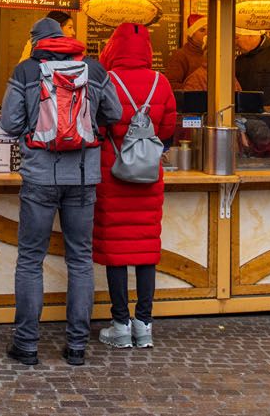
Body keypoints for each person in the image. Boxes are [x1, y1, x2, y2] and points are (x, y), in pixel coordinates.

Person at [0, 16, 121, 367]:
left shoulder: (25, 71)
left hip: (39, 176)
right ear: (65, 37)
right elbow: (113, 114)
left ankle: (26, 345)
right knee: (80, 260)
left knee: (30, 260)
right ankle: (77, 347)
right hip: (83, 178)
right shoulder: (94, 70)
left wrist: (34, 127)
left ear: (37, 42)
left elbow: (9, 123)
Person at [92, 22, 179, 350]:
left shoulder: (106, 81)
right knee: (145, 251)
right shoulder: (161, 82)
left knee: (116, 252)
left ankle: (120, 324)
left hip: (112, 174)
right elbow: (169, 127)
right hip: (149, 175)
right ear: (147, 51)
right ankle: (144, 325)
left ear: (113, 48)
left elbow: (97, 125)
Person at [165, 13, 207, 91]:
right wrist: (193, 89)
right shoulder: (180, 55)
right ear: (192, 34)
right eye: (202, 30)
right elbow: (170, 84)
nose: (207, 34)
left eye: (210, 30)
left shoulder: (216, 55)